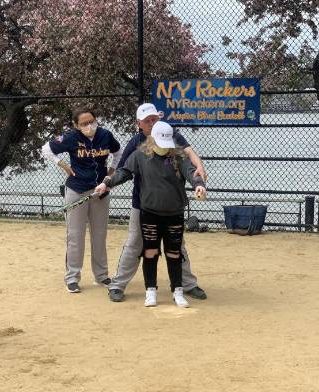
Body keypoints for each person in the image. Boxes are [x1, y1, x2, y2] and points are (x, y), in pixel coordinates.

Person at [94, 121, 207, 307]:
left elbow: (192, 172)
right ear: (152, 140)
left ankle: (178, 291)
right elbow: (124, 172)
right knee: (150, 252)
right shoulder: (139, 155)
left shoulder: (179, 156)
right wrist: (107, 183)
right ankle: (150, 291)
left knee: (174, 253)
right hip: (149, 213)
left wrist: (199, 185)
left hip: (174, 213)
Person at [42, 108, 122, 293]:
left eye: (92, 121)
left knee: (99, 234)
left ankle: (101, 276)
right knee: (75, 236)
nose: (89, 126)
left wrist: (111, 174)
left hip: (100, 191)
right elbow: (46, 149)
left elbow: (118, 154)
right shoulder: (70, 138)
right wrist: (63, 165)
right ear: (76, 125)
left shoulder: (105, 135)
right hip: (76, 189)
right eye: (84, 123)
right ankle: (72, 277)